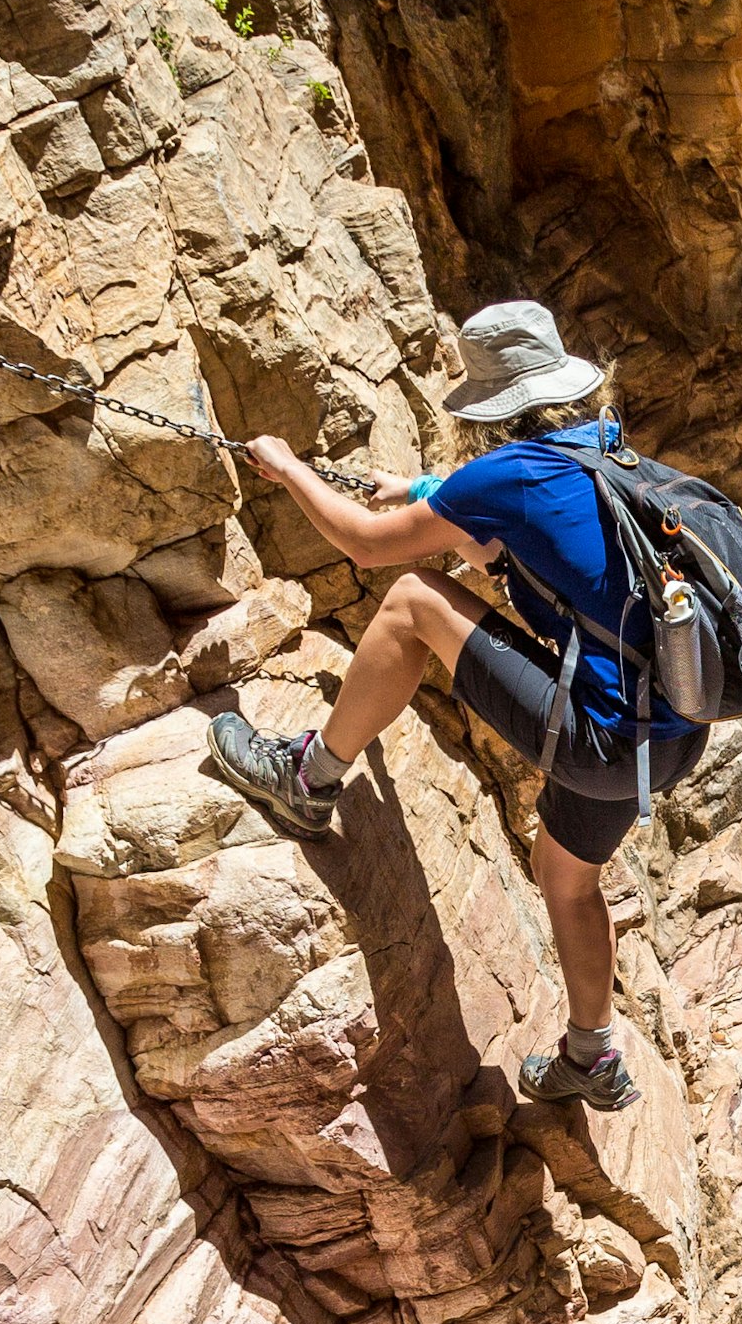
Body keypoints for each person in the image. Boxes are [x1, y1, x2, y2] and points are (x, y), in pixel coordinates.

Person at [200, 302, 706, 1113]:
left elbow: (368, 543)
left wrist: (289, 467)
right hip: (671, 731)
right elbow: (526, 527)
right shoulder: (608, 451)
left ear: (495, 405)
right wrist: (434, 495)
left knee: (408, 600)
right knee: (565, 878)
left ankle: (308, 779)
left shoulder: (505, 475)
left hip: (605, 738)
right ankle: (591, 1057)